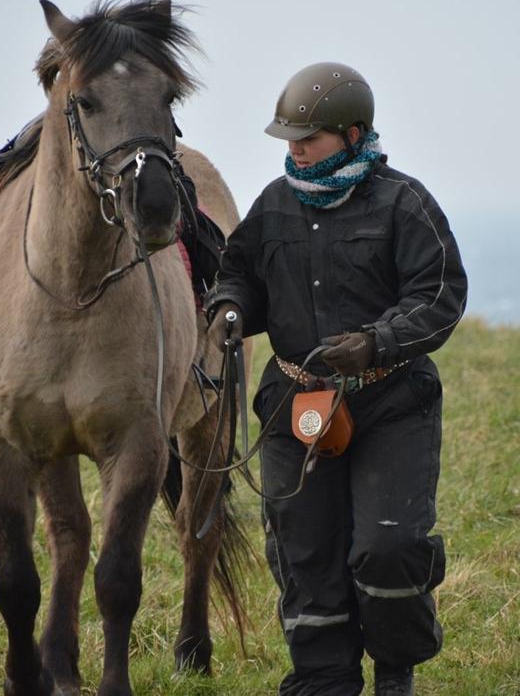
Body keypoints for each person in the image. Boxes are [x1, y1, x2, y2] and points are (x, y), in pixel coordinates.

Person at [205, 62, 468, 696]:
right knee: (306, 556)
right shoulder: (272, 204)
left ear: (354, 134)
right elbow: (238, 274)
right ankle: (324, 681)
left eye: (309, 137)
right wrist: (230, 308)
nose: (294, 149)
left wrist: (377, 342)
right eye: (289, 138)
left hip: (392, 404)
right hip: (293, 408)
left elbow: (440, 294)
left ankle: (395, 671)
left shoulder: (406, 202)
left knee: (388, 548)